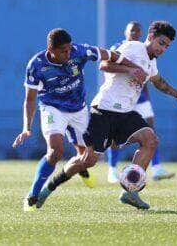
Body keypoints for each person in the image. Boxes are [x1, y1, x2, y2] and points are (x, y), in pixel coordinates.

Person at [36, 21, 177, 210]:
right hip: (103, 111)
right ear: (150, 38)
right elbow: (104, 65)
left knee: (151, 140)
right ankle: (49, 187)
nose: (163, 48)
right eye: (161, 43)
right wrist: (130, 69)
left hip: (125, 114)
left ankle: (130, 192)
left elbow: (158, 82)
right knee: (88, 161)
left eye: (167, 46)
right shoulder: (132, 47)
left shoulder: (151, 62)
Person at [12, 28, 145, 212]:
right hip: (53, 108)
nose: (68, 54)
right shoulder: (36, 65)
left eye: (69, 49)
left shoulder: (80, 51)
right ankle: (33, 195)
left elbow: (110, 55)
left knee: (87, 157)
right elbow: (30, 99)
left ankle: (81, 168)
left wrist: (133, 68)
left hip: (79, 109)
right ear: (50, 50)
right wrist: (26, 127)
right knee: (55, 151)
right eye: (63, 51)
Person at [106, 21, 175, 183]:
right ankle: (112, 169)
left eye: (137, 32)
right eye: (132, 31)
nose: (134, 34)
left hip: (141, 97)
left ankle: (156, 168)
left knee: (151, 129)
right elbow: (108, 68)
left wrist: (148, 99)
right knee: (113, 135)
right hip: (122, 96)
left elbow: (149, 76)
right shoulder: (119, 47)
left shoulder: (147, 51)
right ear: (126, 32)